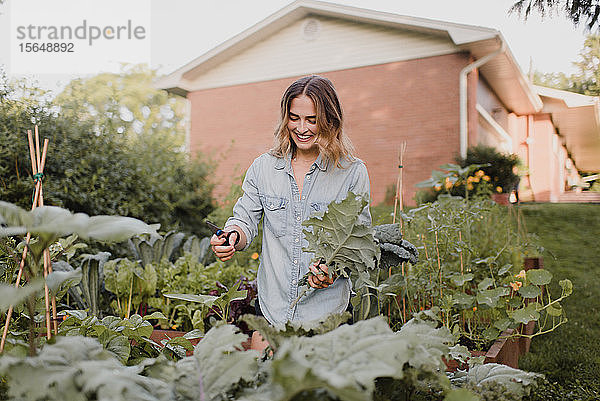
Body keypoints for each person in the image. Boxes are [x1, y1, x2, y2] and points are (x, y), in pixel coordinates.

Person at [210, 75, 371, 347]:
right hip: (273, 313)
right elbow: (244, 219)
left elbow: (360, 242)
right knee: (264, 384)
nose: (302, 128)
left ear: (329, 119)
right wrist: (233, 237)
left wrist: (332, 269)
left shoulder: (352, 173)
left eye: (312, 119)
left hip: (327, 317)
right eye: (294, 118)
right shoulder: (263, 168)